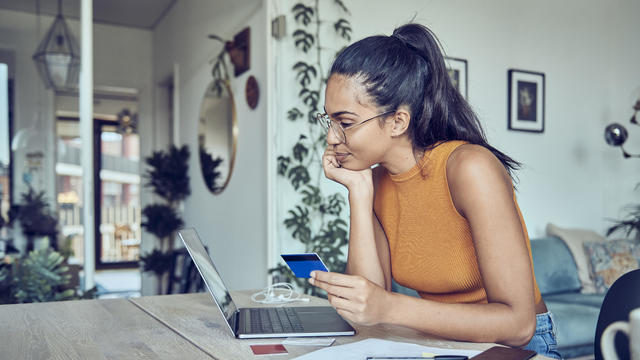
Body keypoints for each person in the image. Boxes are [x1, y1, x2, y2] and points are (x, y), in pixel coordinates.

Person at [308, 23, 562, 359]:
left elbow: (518, 325)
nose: (331, 137)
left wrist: (388, 308)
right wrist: (358, 190)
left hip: (515, 349)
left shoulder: (470, 168)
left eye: (346, 122)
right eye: (329, 121)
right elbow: (369, 316)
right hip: (440, 344)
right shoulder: (378, 181)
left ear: (398, 121)